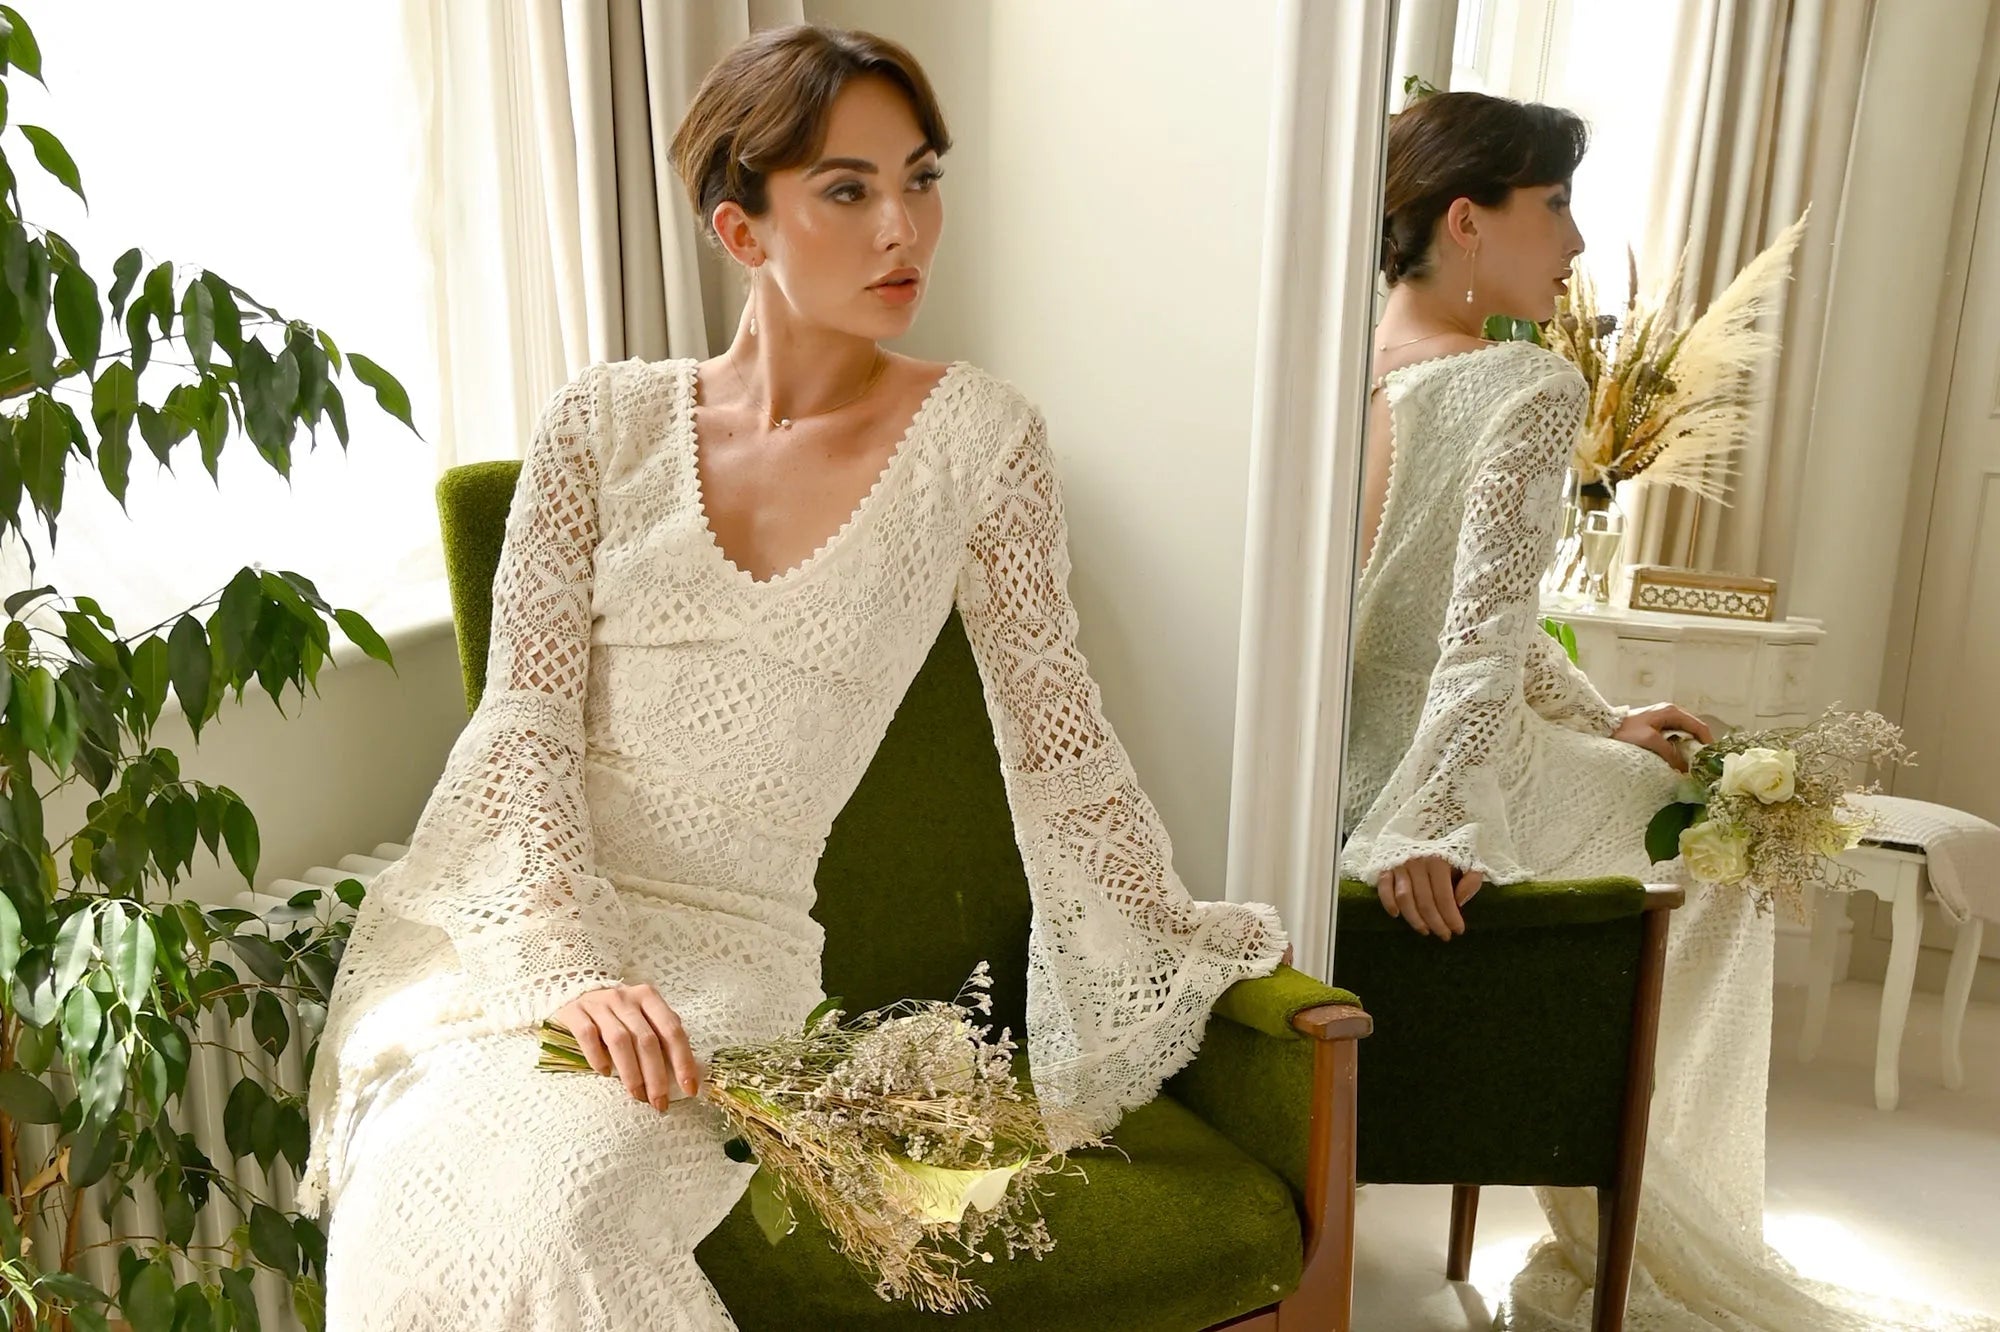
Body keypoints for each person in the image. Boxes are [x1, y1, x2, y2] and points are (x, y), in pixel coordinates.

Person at [300, 24, 1286, 1331]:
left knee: (567, 1207)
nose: (906, 228)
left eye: (921, 178)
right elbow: (520, 738)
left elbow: (1058, 740)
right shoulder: (598, 425)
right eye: (848, 188)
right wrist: (568, 971)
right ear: (740, 229)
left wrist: (1158, 939)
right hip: (523, 948)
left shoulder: (980, 443)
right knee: (431, 1179)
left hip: (727, 967)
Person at [1341, 88, 1995, 1332]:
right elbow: (1475, 640)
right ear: (1467, 222)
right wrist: (1433, 821)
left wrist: (1596, 717)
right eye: (1555, 205)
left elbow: (1433, 622)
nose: (1577, 244)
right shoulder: (1519, 388)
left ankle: (1621, 1179)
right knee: (1708, 835)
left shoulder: (1339, 371)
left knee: (1649, 779)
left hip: (1338, 767)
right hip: (1430, 786)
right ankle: (1638, 1213)